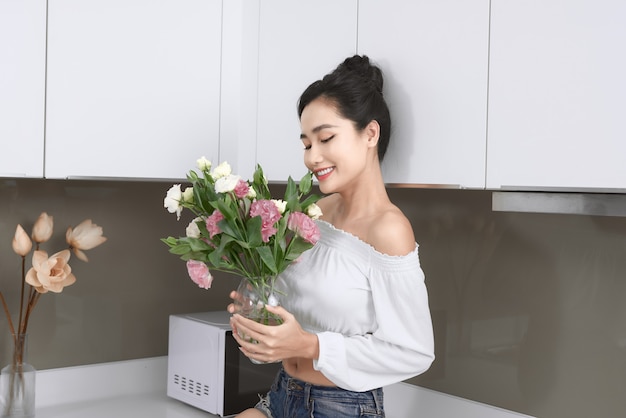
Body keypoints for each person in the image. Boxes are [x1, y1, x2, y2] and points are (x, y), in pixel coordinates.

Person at [228, 55, 435, 418]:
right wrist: (259, 314)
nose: (312, 157)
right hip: (282, 394)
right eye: (307, 144)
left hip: (340, 407)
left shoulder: (388, 229)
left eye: (326, 138)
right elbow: (305, 307)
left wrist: (308, 345)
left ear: (370, 133)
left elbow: (414, 352)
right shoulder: (316, 212)